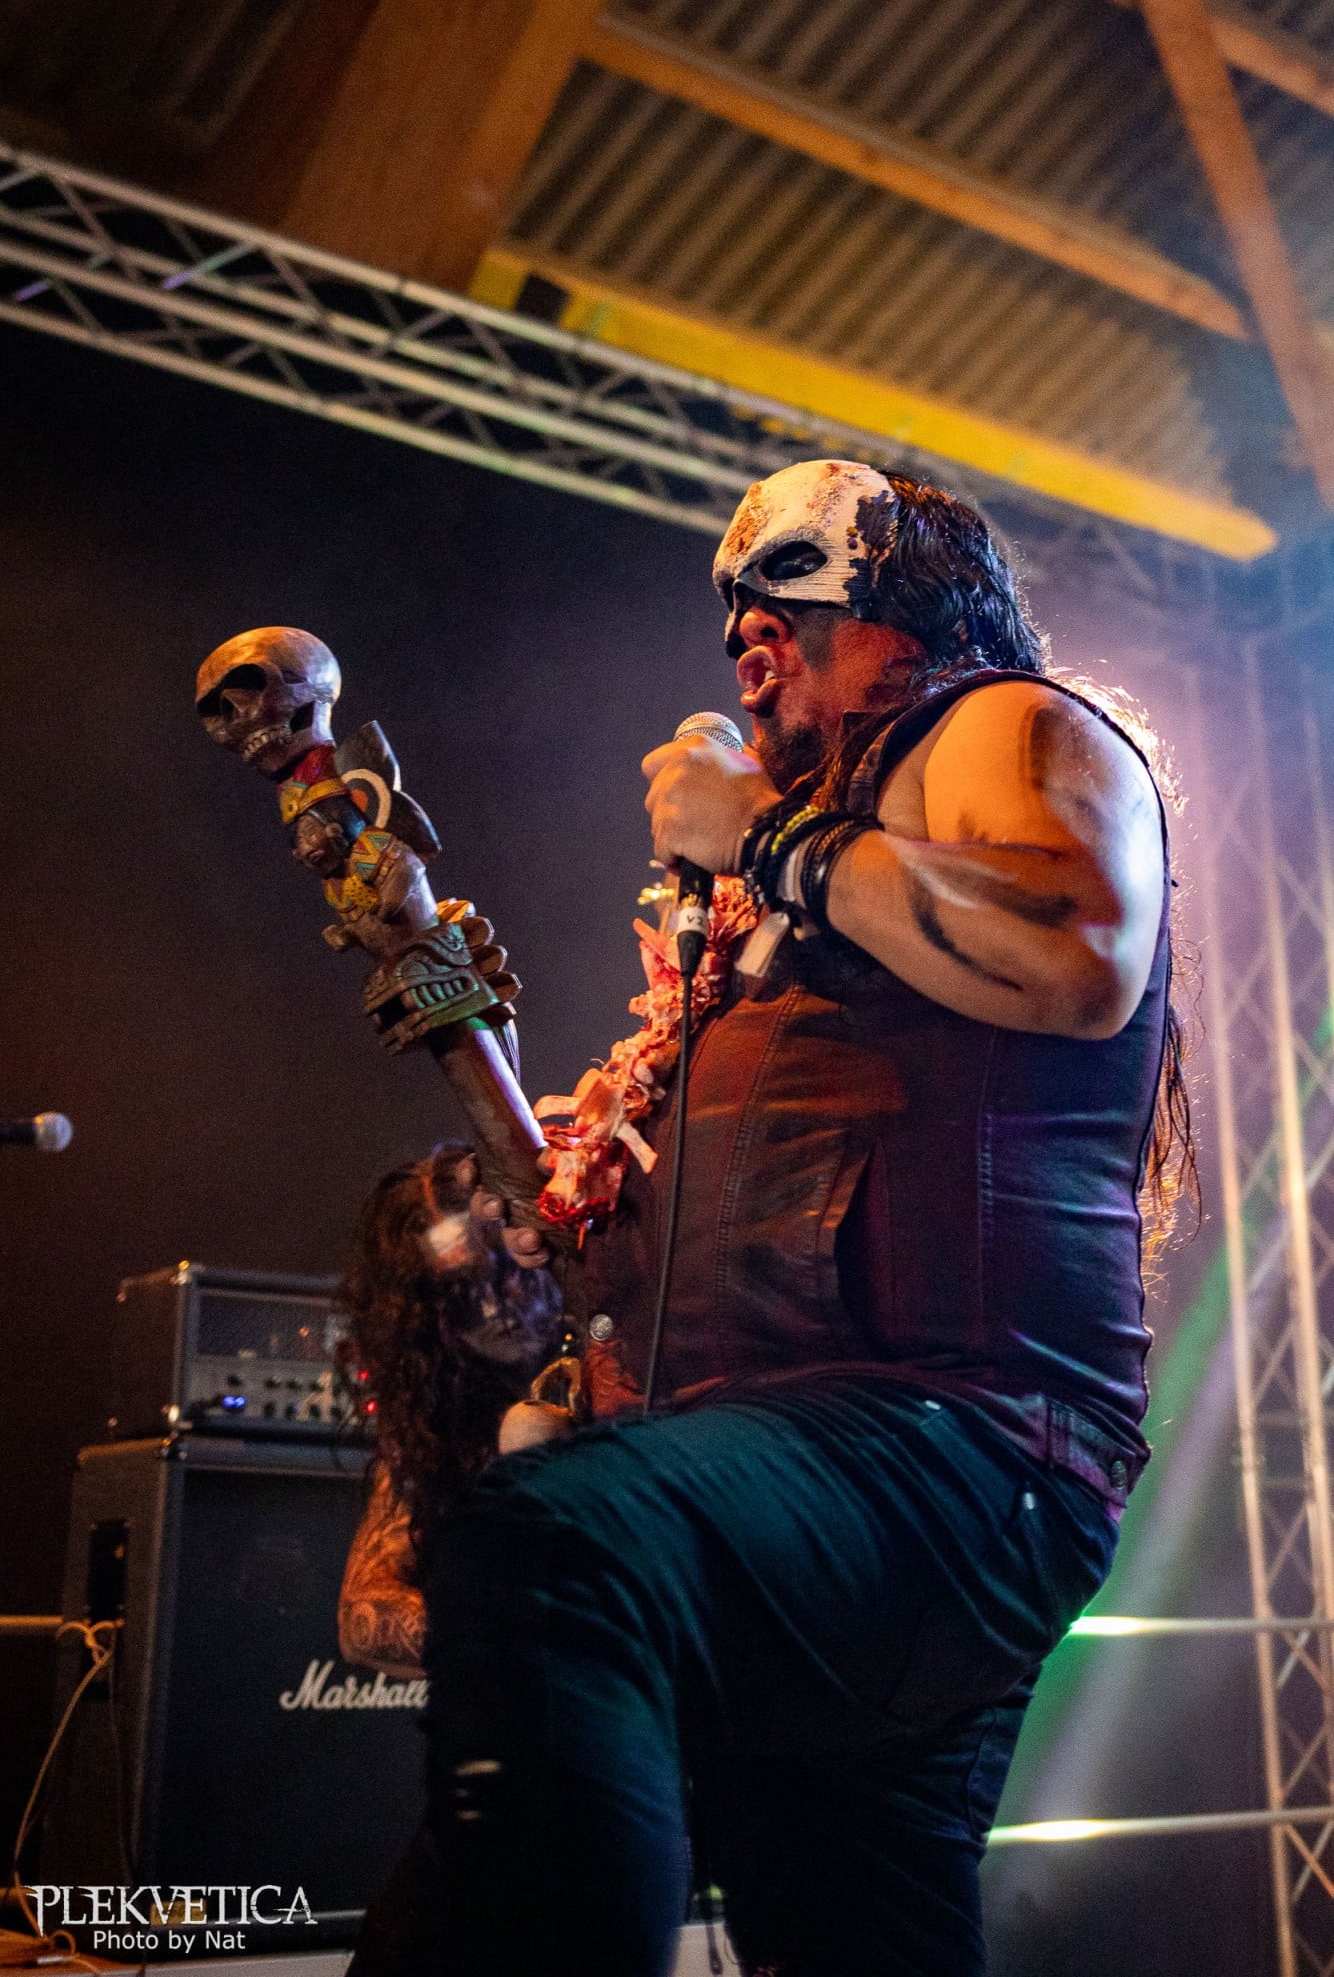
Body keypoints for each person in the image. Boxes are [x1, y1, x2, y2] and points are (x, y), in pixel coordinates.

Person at [358, 461, 1192, 1977]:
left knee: (553, 1539)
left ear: (912, 605)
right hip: (817, 1473)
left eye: (789, 592)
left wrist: (764, 834)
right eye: (734, 608)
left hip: (946, 1438)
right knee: (850, 1928)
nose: (747, 623)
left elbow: (1079, 951)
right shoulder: (793, 890)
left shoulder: (998, 722)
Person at [336, 1144, 563, 1677]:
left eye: (500, 1268)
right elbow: (363, 1614)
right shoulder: (451, 1420)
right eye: (460, 1291)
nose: (492, 1305)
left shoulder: (627, 1345)